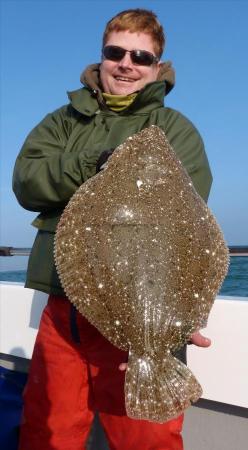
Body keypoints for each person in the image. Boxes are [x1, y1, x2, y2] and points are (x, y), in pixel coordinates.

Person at [13, 8, 212, 450]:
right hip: (63, 314)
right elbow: (28, 180)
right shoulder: (62, 122)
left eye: (141, 56)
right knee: (48, 432)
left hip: (141, 314)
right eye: (115, 51)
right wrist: (95, 162)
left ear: (156, 67)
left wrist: (179, 319)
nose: (127, 63)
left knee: (145, 438)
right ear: (101, 56)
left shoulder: (174, 130)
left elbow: (188, 229)